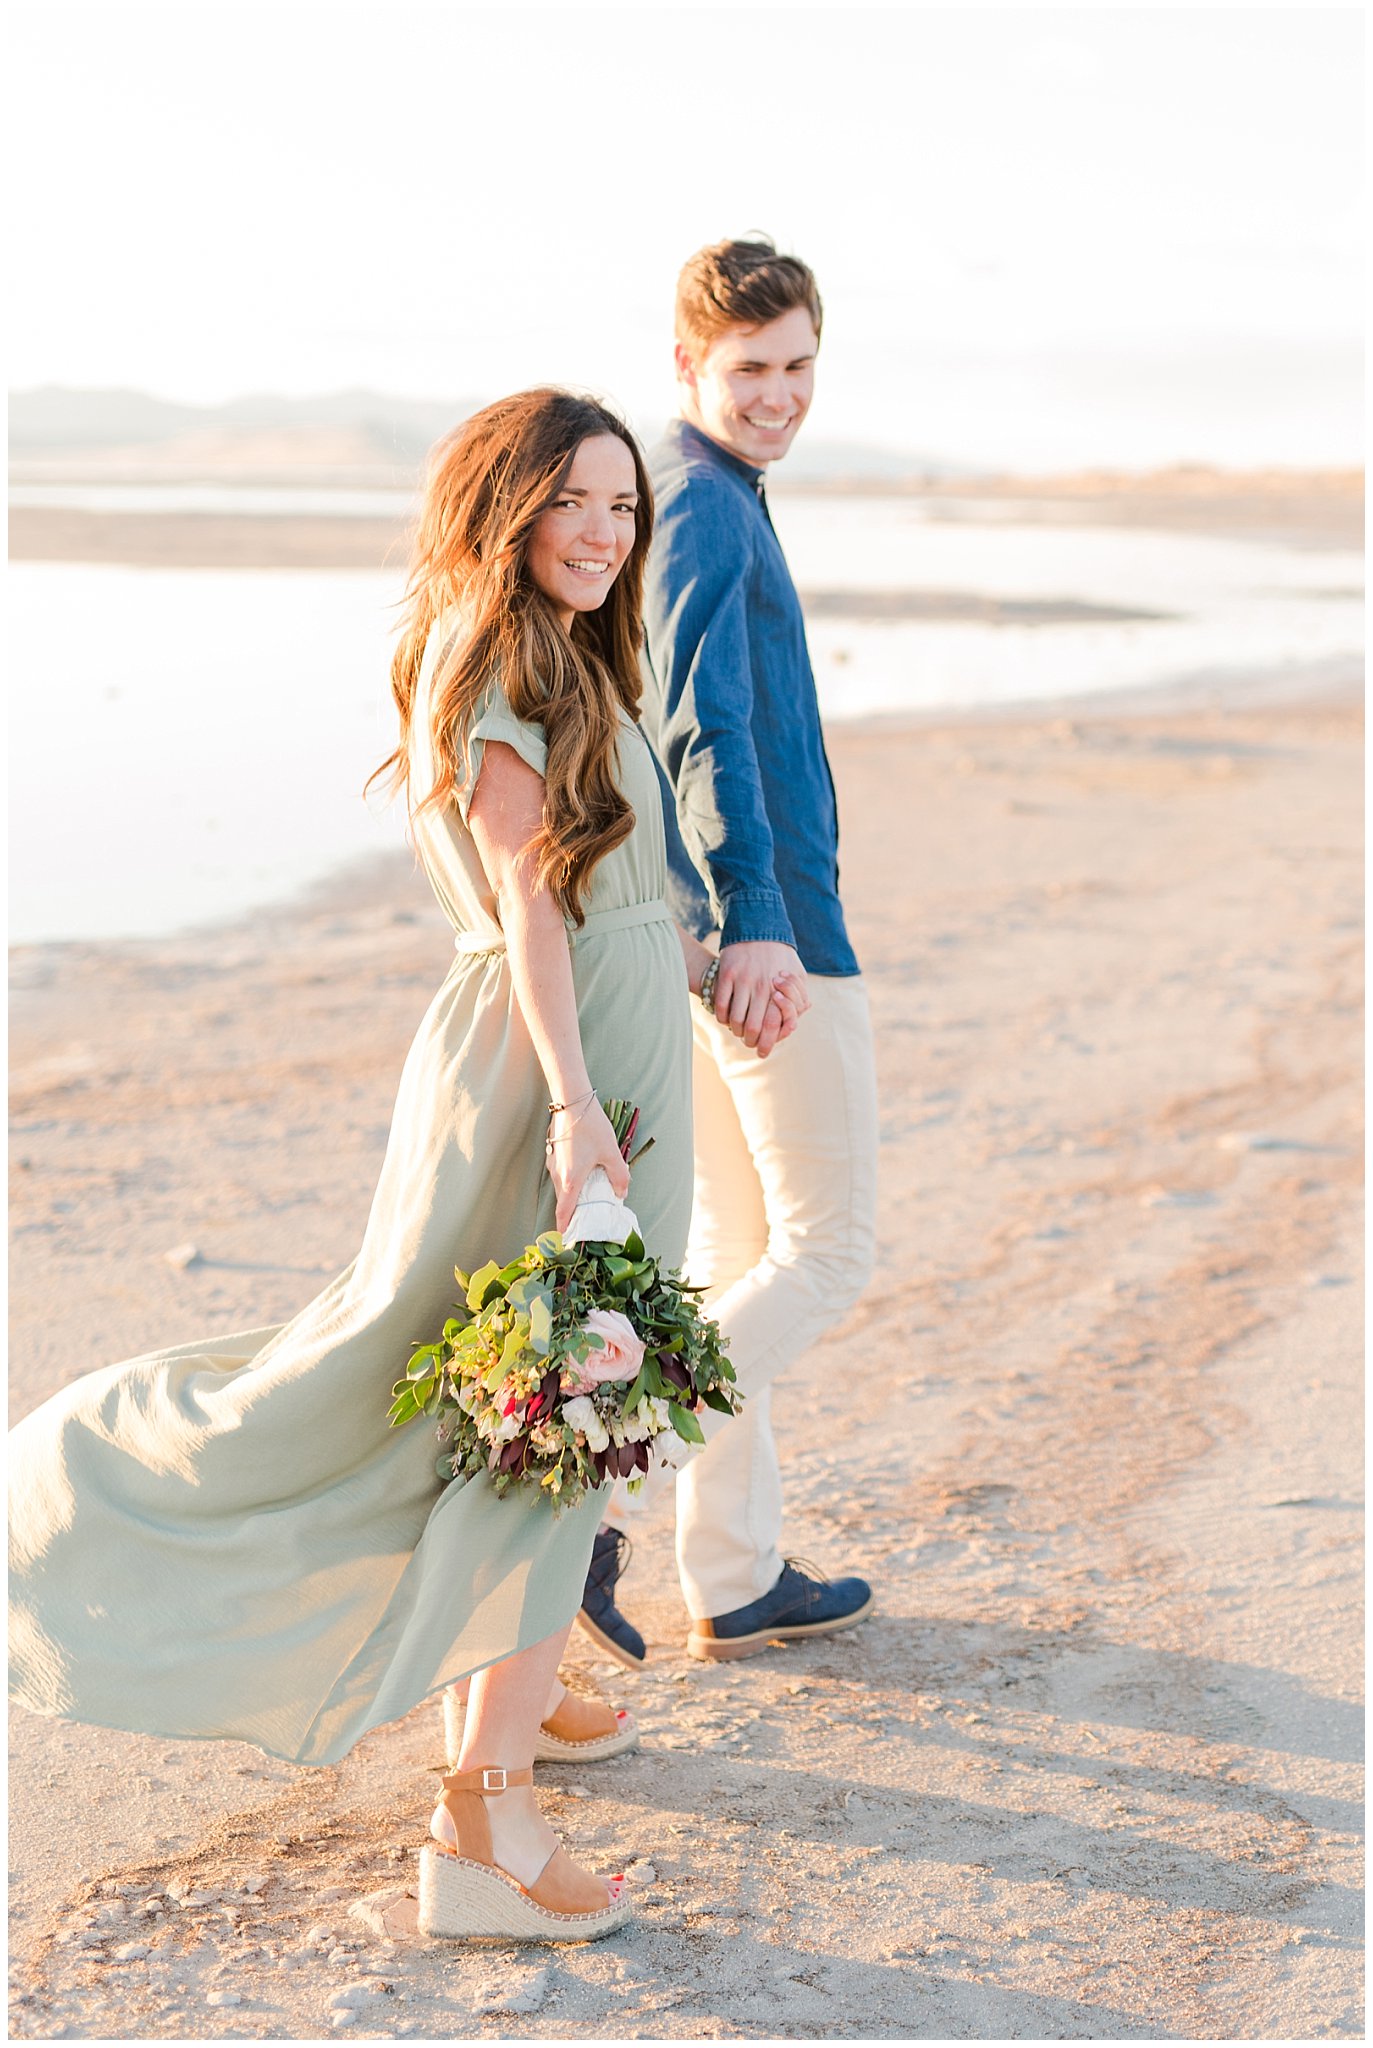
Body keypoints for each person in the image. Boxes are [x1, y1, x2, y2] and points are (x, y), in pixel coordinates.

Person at [8, 388, 798, 1944]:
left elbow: (605, 877)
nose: (604, 532)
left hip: (602, 1047)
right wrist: (576, 1111)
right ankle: (479, 1826)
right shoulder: (495, 652)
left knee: (545, 1399)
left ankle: (505, 1704)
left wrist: (694, 956)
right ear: (505, 507)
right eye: (574, 502)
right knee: (560, 1409)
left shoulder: (565, 648)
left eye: (625, 508)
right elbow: (526, 901)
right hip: (551, 1072)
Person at [580, 238, 880, 1666]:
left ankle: (734, 1574)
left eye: (796, 365)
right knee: (827, 1255)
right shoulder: (699, 503)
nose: (777, 393)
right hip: (768, 936)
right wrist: (757, 916)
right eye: (749, 369)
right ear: (688, 367)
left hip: (714, 931)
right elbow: (705, 726)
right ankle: (600, 1492)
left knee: (737, 1258)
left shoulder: (710, 494)